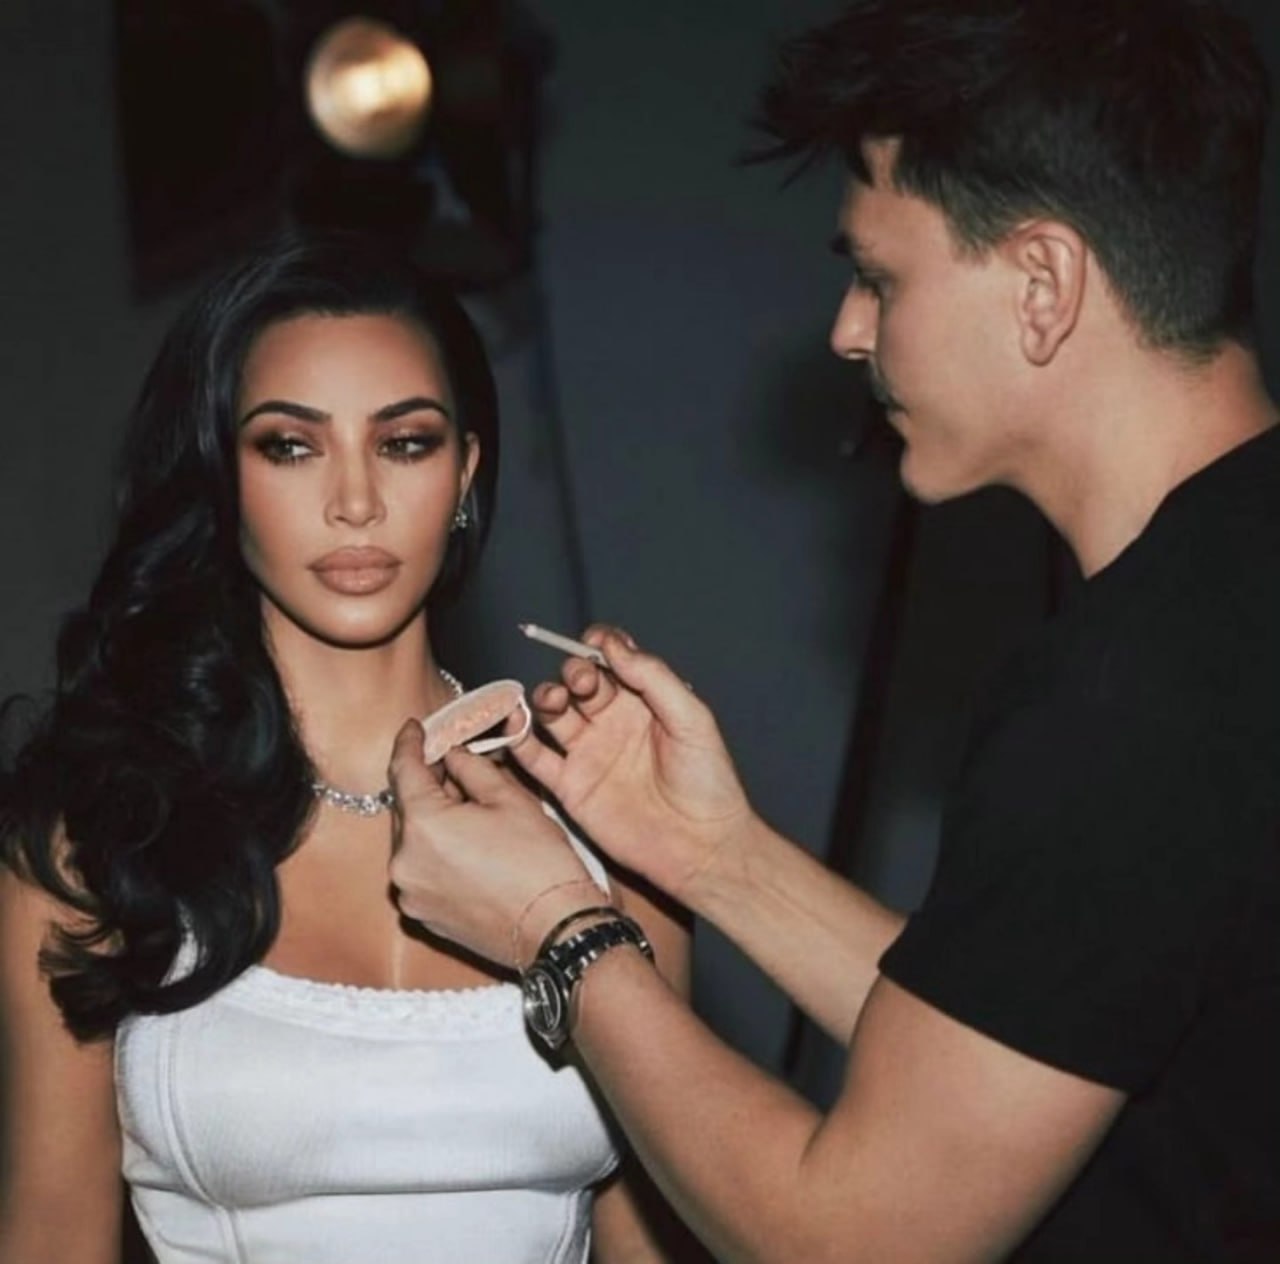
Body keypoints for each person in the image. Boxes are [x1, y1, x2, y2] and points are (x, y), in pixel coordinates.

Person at [383, 0, 1280, 1260]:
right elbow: (1007, 1040)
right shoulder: (1219, 600)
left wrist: (556, 928)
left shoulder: (1126, 687)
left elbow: (850, 1236)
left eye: (877, 276)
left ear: (1041, 285)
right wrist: (714, 856)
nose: (846, 330)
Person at [0, 233, 693, 1264]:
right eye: (291, 445)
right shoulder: (102, 840)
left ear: (466, 470)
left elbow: (654, 1235)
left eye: (404, 442)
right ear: (219, 478)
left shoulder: (607, 820)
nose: (355, 502)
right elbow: (52, 1236)